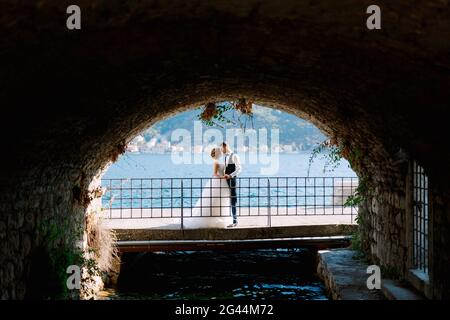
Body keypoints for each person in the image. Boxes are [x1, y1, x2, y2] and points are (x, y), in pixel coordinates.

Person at [184, 147, 230, 229]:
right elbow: (215, 174)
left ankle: (221, 217)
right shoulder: (216, 162)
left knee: (222, 200)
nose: (221, 152)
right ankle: (211, 218)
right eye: (219, 151)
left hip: (223, 182)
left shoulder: (222, 161)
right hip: (218, 181)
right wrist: (223, 177)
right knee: (214, 200)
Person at [220, 142, 242, 227]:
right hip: (225, 180)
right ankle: (225, 218)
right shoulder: (224, 157)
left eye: (222, 148)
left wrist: (230, 175)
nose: (221, 150)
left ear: (226, 147)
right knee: (224, 199)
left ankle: (235, 220)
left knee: (233, 199)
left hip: (232, 180)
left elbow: (239, 168)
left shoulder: (234, 156)